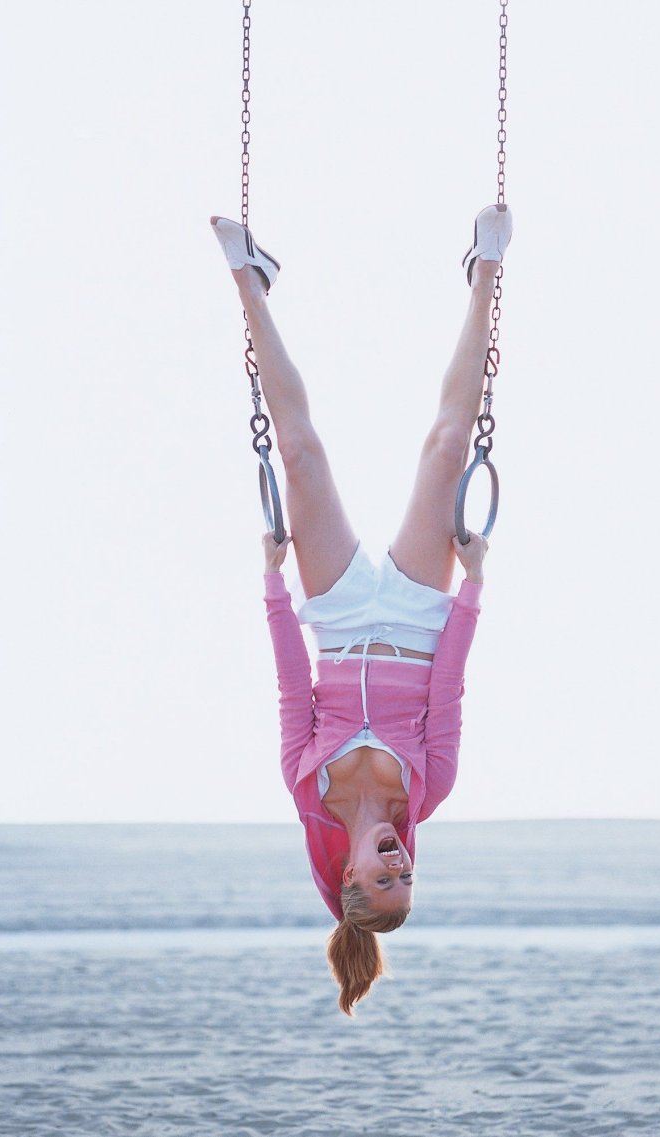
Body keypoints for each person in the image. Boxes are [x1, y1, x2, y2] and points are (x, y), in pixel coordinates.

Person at [210, 205, 512, 1013]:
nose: (400, 865)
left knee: (299, 448)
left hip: (340, 621)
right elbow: (446, 687)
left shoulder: (308, 787)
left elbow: (289, 686)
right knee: (448, 445)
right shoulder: (428, 787)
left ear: (349, 873)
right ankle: (486, 267)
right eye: (407, 876)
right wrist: (473, 582)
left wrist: (274, 581)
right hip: (415, 624)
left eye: (385, 879)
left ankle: (248, 279)